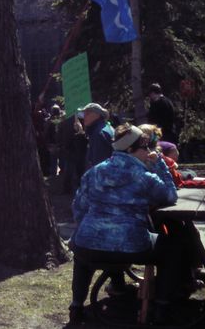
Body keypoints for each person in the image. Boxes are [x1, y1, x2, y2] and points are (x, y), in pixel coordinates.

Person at [67, 123, 178, 325]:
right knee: (169, 246)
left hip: (89, 244)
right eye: (145, 147)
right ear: (130, 150)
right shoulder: (144, 176)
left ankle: (76, 307)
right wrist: (160, 164)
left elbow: (79, 207)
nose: (149, 151)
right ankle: (161, 306)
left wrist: (94, 229)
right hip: (132, 246)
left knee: (82, 253)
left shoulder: (94, 172)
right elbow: (170, 196)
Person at [79, 103, 114, 171]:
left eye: (88, 113)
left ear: (97, 115)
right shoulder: (104, 128)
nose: (84, 117)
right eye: (84, 114)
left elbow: (99, 165)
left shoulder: (98, 134)